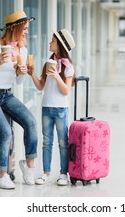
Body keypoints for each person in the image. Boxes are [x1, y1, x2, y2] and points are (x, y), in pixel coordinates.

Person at [0, 10, 38, 189]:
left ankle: (29, 166)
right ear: (15, 28)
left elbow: (18, 81)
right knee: (6, 131)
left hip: (7, 94)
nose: (27, 31)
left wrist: (21, 73)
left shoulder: (23, 49)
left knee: (31, 122)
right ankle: (1, 175)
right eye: (25, 28)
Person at [28, 28, 75, 186]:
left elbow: (66, 90)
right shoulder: (48, 62)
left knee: (63, 142)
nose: (50, 43)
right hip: (46, 107)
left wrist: (56, 75)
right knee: (47, 142)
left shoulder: (68, 66)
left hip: (61, 108)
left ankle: (63, 174)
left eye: (53, 41)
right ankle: (46, 173)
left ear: (60, 45)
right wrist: (32, 74)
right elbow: (41, 86)